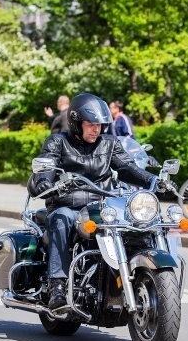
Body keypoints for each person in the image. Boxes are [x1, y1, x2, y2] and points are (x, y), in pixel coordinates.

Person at [27, 93, 162, 310]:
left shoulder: (109, 143)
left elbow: (127, 167)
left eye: (99, 125)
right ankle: (57, 287)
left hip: (102, 207)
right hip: (68, 206)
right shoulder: (58, 142)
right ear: (76, 123)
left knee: (135, 222)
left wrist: (152, 179)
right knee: (61, 218)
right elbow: (47, 165)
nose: (96, 129)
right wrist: (44, 181)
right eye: (91, 124)